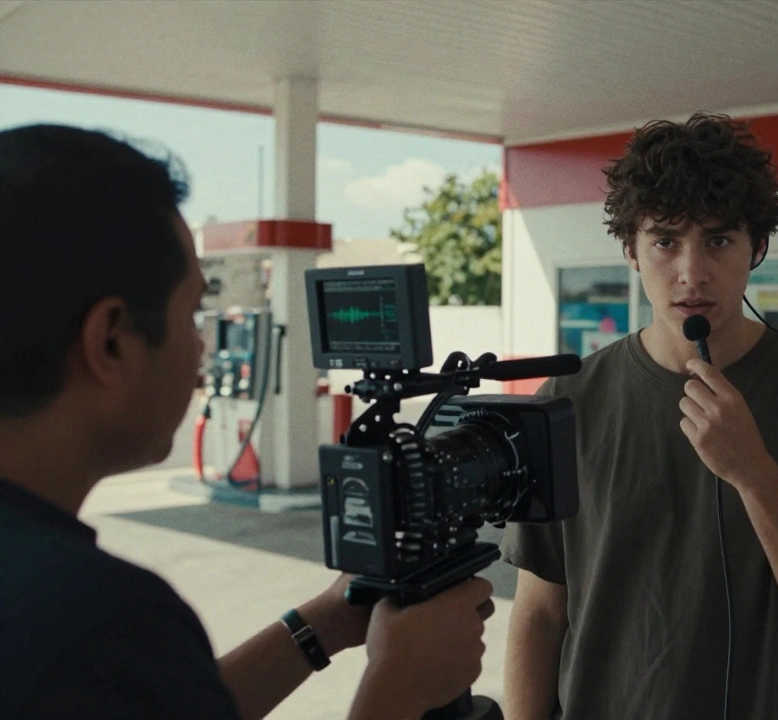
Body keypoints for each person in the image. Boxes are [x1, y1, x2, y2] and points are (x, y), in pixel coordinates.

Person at [0, 124, 494, 720]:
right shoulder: (97, 623)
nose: (202, 349)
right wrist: (399, 686)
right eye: (193, 316)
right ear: (110, 342)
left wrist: (324, 623)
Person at [500, 112, 778, 720]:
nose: (691, 272)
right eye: (665, 240)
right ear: (630, 250)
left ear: (757, 248)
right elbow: (538, 612)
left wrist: (755, 475)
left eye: (718, 239)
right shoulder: (569, 400)